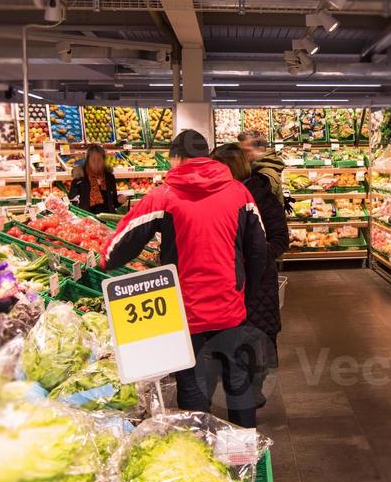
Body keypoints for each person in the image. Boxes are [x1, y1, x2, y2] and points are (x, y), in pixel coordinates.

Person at [103, 130, 271, 427]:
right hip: (230, 307)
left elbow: (121, 246)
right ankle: (245, 450)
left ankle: (199, 447)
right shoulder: (239, 193)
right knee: (238, 382)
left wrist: (105, 261)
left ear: (178, 157)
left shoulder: (163, 196)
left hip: (185, 312)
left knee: (193, 386)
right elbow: (259, 250)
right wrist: (244, 291)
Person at [213, 142, 288, 355]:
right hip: (231, 284)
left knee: (258, 348)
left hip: (259, 284)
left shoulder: (261, 195)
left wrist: (254, 257)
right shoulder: (219, 196)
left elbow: (280, 239)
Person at [68, 143, 120, 214]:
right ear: (87, 161)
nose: (96, 163)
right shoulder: (80, 178)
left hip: (107, 220)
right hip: (87, 219)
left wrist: (120, 200)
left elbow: (114, 202)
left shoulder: (109, 177)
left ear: (103, 161)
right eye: (93, 160)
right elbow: (72, 200)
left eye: (99, 160)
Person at [238, 129, 285, 204]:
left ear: (259, 150)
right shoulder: (258, 170)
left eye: (245, 151)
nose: (241, 155)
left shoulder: (265, 177)